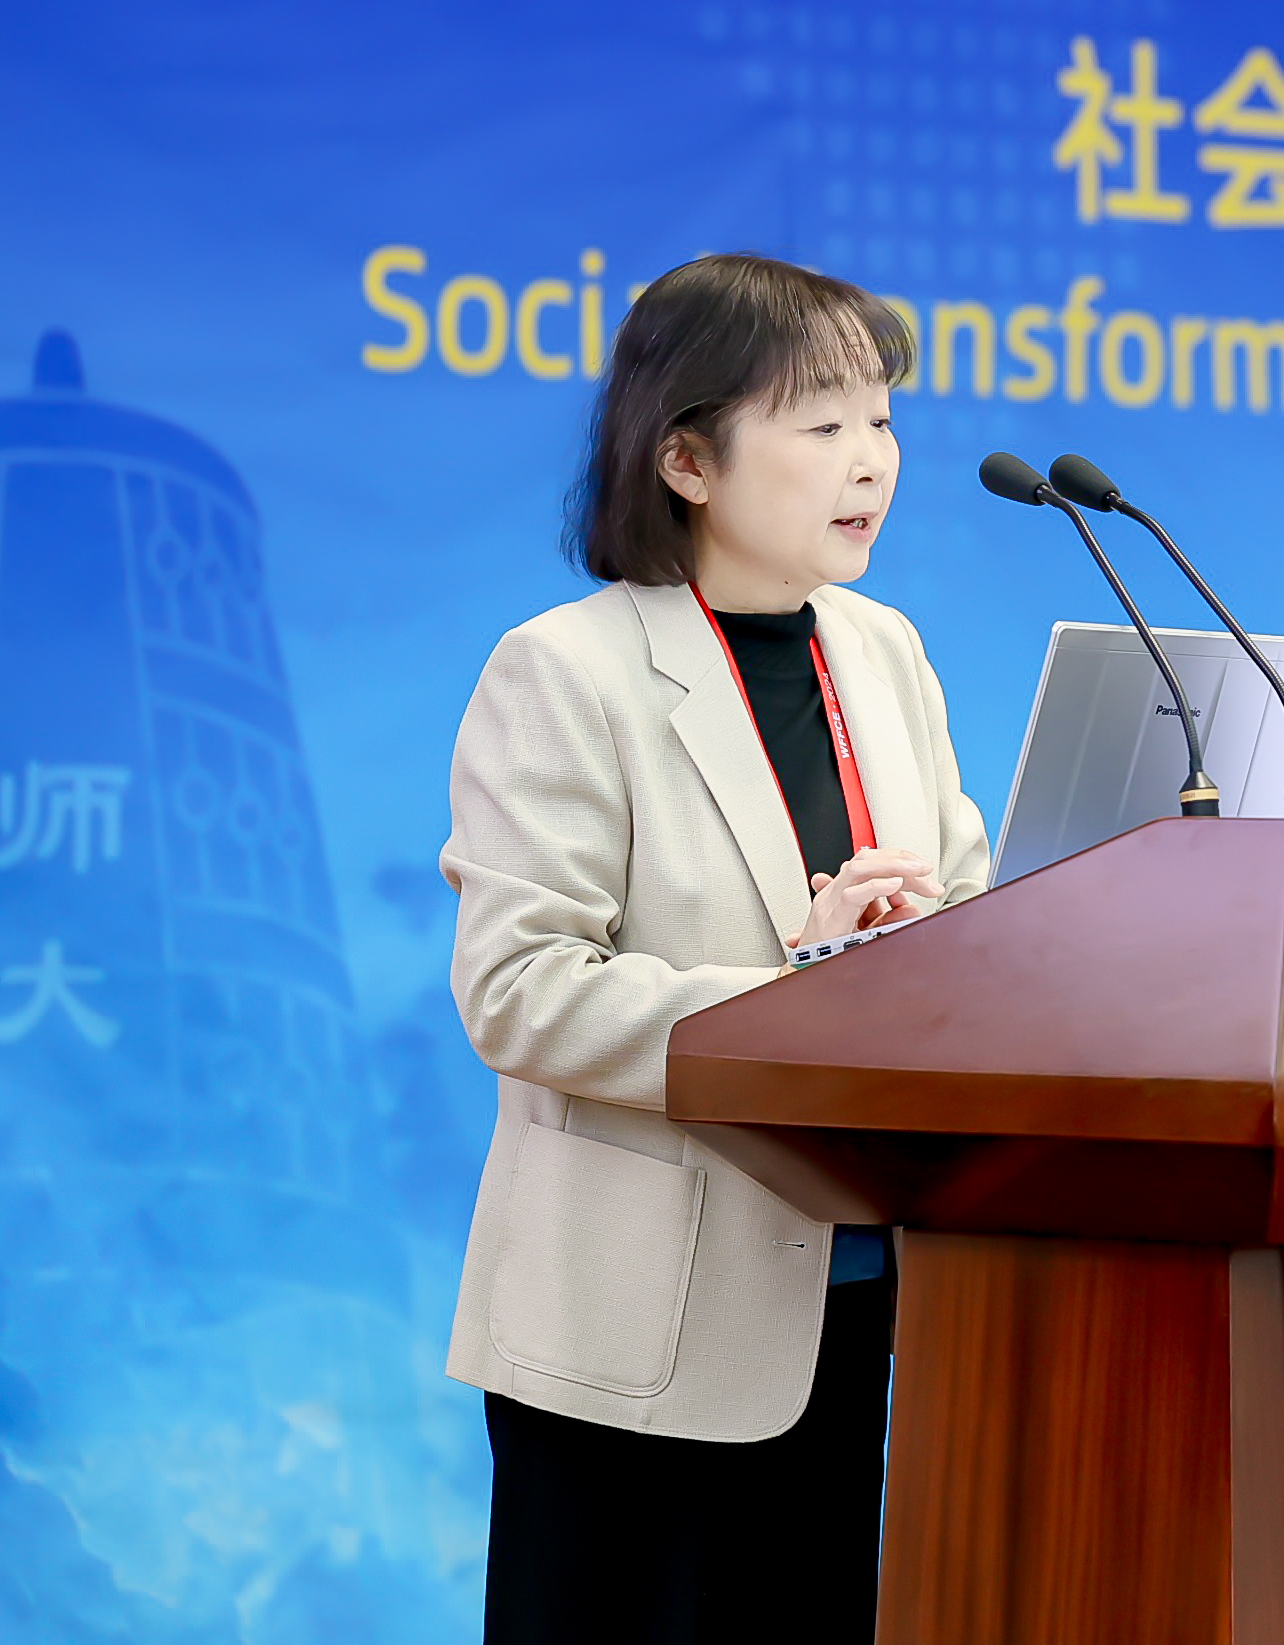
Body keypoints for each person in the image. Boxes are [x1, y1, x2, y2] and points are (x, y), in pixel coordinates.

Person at [438, 252, 989, 1644]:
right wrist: (797, 996)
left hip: (869, 1305)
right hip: (641, 1330)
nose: (872, 461)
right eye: (823, 425)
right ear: (686, 459)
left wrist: (932, 946)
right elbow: (520, 990)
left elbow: (968, 907)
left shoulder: (886, 652)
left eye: (882, 421)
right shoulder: (566, 671)